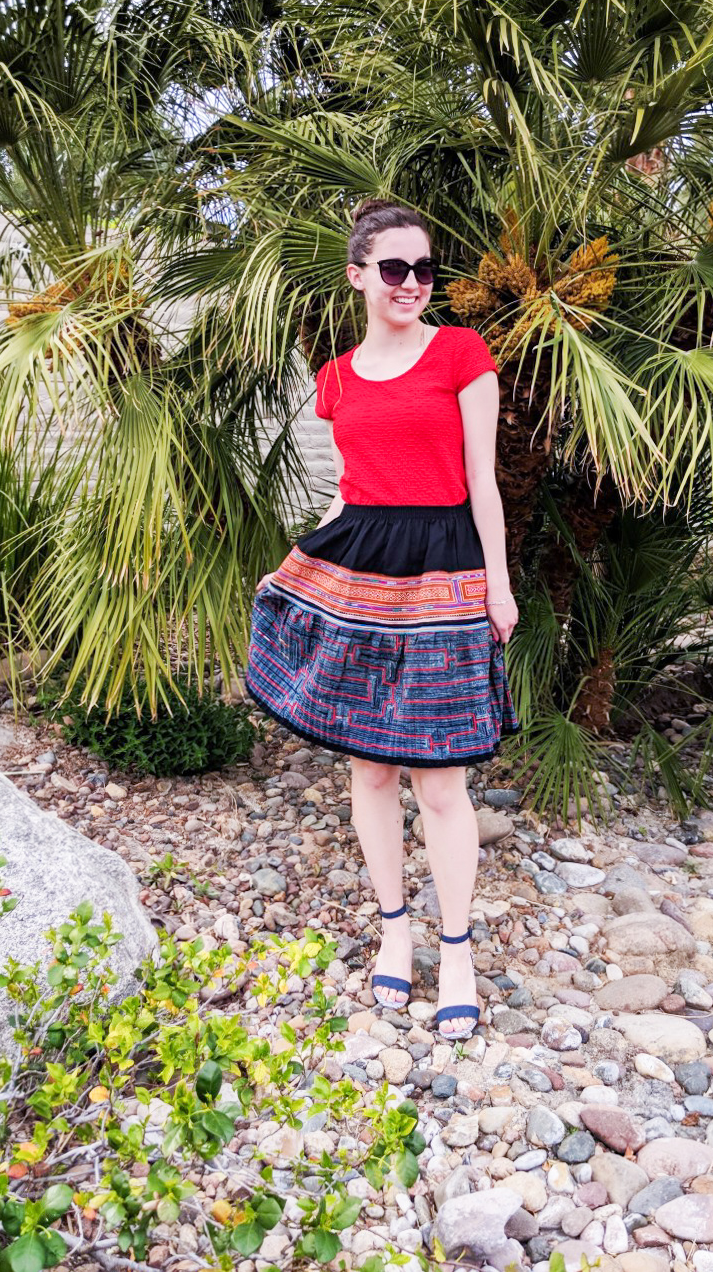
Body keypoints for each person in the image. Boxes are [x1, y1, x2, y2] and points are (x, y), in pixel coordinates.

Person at [245, 198, 520, 1040]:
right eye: (394, 269)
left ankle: (459, 948)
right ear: (359, 275)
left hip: (444, 565)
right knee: (369, 769)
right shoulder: (334, 377)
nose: (412, 284)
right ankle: (395, 931)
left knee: (441, 777)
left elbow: (483, 481)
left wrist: (498, 584)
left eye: (425, 269)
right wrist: (297, 568)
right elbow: (349, 488)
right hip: (360, 569)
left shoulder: (462, 353)